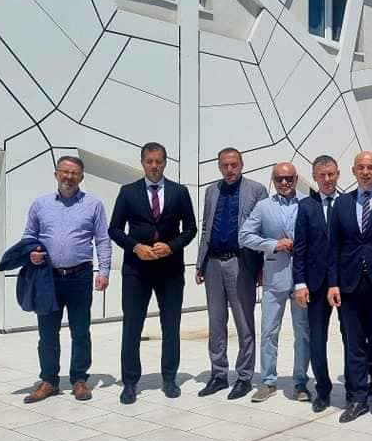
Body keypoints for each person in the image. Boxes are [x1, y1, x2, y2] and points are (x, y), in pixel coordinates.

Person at [109, 142, 197, 404]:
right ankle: (130, 382)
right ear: (142, 162)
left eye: (159, 161)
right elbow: (114, 229)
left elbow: (190, 228)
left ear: (165, 162)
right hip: (137, 270)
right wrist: (135, 247)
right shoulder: (128, 192)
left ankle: (169, 378)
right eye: (150, 161)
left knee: (171, 326)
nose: (154, 166)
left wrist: (172, 246)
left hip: (170, 270)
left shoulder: (179, 192)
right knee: (132, 326)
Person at [20, 156, 111, 403]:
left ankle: (79, 380)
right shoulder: (40, 204)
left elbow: (102, 240)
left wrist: (104, 271)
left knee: (80, 331)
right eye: (65, 172)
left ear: (81, 177)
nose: (69, 177)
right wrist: (31, 253)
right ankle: (49, 381)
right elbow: (29, 236)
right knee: (47, 332)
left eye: (74, 173)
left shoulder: (93, 204)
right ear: (56, 174)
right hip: (48, 279)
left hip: (80, 277)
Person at [194, 148, 268, 400]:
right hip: (213, 263)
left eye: (234, 164)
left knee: (244, 322)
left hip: (241, 263)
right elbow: (206, 228)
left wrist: (261, 267)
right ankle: (218, 374)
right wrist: (200, 263)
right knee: (216, 322)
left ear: (241, 165)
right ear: (219, 166)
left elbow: (264, 231)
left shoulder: (256, 190)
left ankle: (244, 377)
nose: (229, 169)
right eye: (225, 165)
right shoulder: (211, 191)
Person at [328, 151, 372, 424]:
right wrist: (333, 283)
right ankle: (357, 397)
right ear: (354, 171)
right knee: (353, 344)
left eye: (370, 167)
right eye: (361, 167)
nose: (366, 172)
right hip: (349, 284)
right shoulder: (342, 203)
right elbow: (333, 247)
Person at [239, 162, 310, 402]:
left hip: (302, 279)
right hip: (274, 277)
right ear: (273, 179)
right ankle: (268, 381)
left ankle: (301, 382)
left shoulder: (308, 203)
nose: (284, 182)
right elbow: (244, 236)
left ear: (296, 178)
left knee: (303, 332)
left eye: (289, 178)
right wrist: (273, 244)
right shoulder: (263, 206)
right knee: (269, 331)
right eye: (279, 178)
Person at [294, 155, 341, 411]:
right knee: (316, 339)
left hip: (345, 283)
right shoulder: (305, 207)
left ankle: (356, 389)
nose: (327, 179)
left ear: (338, 174)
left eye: (331, 174)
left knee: (352, 338)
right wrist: (300, 283)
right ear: (314, 177)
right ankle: (322, 389)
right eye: (322, 175)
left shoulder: (348, 203)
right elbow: (300, 248)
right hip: (315, 284)